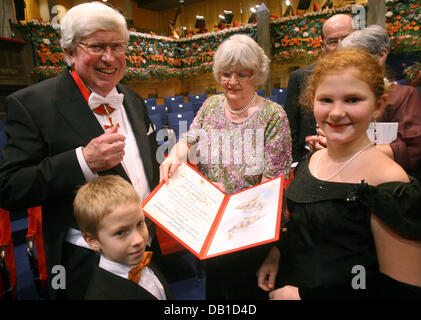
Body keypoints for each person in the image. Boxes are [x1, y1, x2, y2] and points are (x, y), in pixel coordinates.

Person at [0, 2, 160, 299]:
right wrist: (82, 161)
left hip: (144, 246)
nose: (109, 58)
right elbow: (10, 187)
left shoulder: (133, 99)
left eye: (118, 46)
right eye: (97, 46)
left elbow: (146, 168)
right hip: (84, 263)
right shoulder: (31, 104)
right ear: (69, 52)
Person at [257, 48, 421, 299]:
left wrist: (304, 297)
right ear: (312, 102)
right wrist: (278, 253)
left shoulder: (390, 182)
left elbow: (400, 289)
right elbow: (306, 226)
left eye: (352, 100)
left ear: (378, 105)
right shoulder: (311, 160)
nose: (335, 112)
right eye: (326, 100)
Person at [160, 34, 292, 299]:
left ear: (256, 75)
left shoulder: (273, 115)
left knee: (246, 292)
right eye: (226, 73)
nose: (232, 82)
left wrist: (233, 205)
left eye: (242, 74)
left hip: (251, 230)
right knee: (219, 293)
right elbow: (189, 139)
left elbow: (271, 187)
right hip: (213, 225)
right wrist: (174, 154)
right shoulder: (211, 106)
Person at [336, 25, 421, 178]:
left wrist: (351, 152)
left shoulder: (403, 95)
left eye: (356, 59)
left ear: (381, 55)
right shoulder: (341, 98)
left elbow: (412, 149)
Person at [73, 175, 173, 300]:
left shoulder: (142, 260)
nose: (139, 240)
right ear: (92, 241)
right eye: (120, 233)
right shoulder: (100, 294)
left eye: (140, 224)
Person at [284, 13, 355, 163]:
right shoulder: (300, 78)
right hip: (311, 163)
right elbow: (291, 130)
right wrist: (298, 166)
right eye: (333, 41)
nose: (341, 46)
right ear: (323, 46)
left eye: (347, 38)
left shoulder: (368, 77)